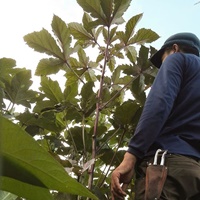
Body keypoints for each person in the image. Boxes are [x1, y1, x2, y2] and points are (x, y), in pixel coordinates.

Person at [111, 32, 200, 200]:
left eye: (162, 59)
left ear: (174, 48)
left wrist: (131, 156)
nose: (163, 65)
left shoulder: (177, 59)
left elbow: (159, 104)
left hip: (168, 168)